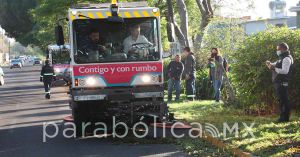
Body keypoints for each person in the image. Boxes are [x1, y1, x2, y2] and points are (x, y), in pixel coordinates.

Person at [266, 42, 294, 123]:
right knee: (281, 100)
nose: (277, 51)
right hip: (279, 83)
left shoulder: (287, 58)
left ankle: (284, 118)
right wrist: (270, 64)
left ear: (283, 49)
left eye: (278, 49)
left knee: (283, 100)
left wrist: (274, 68)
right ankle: (283, 117)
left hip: (282, 82)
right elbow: (275, 64)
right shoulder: (282, 58)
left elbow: (285, 71)